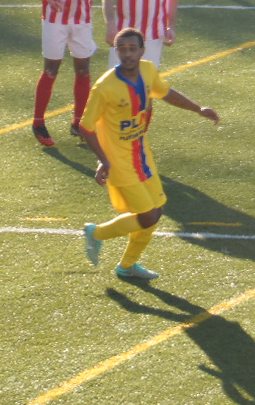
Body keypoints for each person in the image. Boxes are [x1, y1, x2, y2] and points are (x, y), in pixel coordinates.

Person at [79, 27, 219, 280]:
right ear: (116, 52)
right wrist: (103, 159)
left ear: (142, 51)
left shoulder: (148, 71)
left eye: (132, 49)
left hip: (141, 154)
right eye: (122, 50)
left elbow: (166, 93)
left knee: (158, 210)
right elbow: (85, 127)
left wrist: (198, 109)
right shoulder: (104, 88)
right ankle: (96, 233)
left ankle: (127, 266)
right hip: (119, 162)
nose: (128, 54)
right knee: (147, 216)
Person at [27, 0, 105, 147]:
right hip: (55, 18)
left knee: (83, 70)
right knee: (51, 70)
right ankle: (38, 123)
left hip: (81, 19)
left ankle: (78, 123)